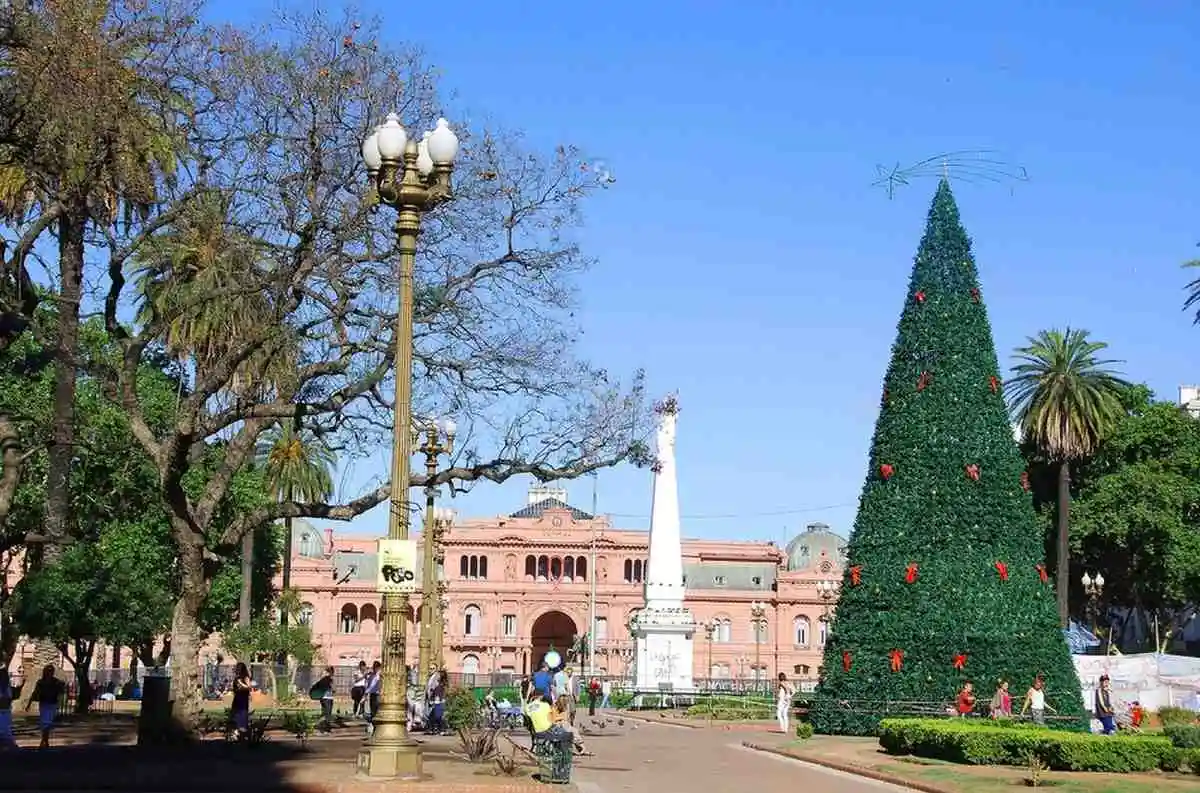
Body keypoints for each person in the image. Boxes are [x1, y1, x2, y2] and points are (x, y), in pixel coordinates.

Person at [524, 689, 590, 756]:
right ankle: (577, 748)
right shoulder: (545, 705)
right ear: (541, 696)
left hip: (536, 732)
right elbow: (550, 717)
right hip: (548, 730)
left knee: (566, 727)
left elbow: (527, 721)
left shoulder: (527, 707)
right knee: (567, 729)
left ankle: (574, 748)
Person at [26, 665, 65, 749]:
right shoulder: (41, 682)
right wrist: (29, 703)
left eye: (51, 671)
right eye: (48, 671)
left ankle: (44, 741)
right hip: (44, 704)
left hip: (52, 704)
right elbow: (35, 692)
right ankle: (44, 741)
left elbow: (61, 693)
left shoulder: (56, 682)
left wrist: (59, 703)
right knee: (44, 722)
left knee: (48, 723)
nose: (49, 673)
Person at [310, 666, 335, 732]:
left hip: (325, 698)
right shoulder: (328, 678)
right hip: (327, 698)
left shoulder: (324, 678)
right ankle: (324, 728)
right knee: (327, 714)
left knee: (326, 713)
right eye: (332, 672)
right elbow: (333, 689)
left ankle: (324, 727)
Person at [231, 662, 252, 739]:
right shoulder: (236, 677)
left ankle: (243, 730)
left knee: (242, 713)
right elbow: (234, 688)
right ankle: (236, 730)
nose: (237, 670)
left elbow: (249, 687)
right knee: (235, 713)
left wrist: (240, 683)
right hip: (237, 697)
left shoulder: (245, 677)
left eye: (239, 668)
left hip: (243, 697)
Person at [0, 669, 15, 749]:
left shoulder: (7, 688)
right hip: (3, 712)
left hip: (5, 712)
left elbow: (8, 700)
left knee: (6, 733)